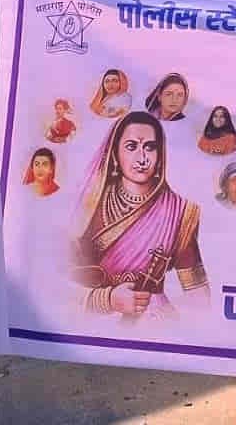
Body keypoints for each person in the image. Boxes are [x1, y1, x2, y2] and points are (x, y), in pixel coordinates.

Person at [69, 111, 209, 317]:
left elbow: (199, 296)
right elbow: (52, 282)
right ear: (114, 153)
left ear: (160, 155)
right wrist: (105, 300)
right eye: (131, 146)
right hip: (90, 320)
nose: (142, 159)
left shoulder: (179, 212)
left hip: (153, 322)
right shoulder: (88, 204)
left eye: (150, 148)